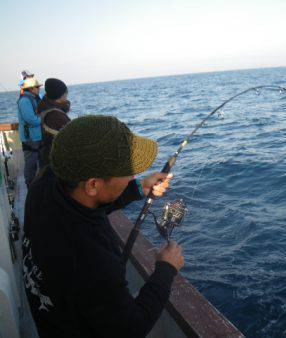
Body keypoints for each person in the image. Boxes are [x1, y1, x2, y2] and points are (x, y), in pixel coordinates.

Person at [22, 115, 183, 338]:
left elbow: (86, 203)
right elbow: (131, 328)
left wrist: (138, 187)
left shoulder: (45, 183)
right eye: (128, 170)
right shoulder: (91, 257)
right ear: (93, 184)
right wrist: (166, 269)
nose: (133, 175)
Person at [37, 78, 71, 166]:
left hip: (47, 156)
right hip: (56, 159)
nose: (67, 94)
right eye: (66, 91)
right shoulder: (55, 115)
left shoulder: (45, 107)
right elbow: (72, 136)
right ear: (60, 94)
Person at [17, 76, 43, 189]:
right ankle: (31, 188)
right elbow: (30, 119)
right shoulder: (25, 100)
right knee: (31, 165)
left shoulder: (34, 98)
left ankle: (38, 187)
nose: (39, 89)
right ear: (31, 88)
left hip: (37, 137)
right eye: (37, 87)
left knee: (39, 163)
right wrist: (43, 119)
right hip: (30, 139)